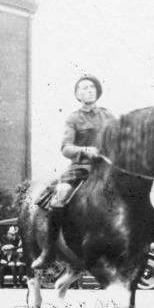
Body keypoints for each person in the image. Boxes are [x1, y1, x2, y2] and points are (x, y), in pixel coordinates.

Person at [31, 75, 116, 269]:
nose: (89, 90)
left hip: (106, 168)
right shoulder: (73, 118)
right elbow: (65, 148)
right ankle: (49, 251)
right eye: (84, 88)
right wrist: (85, 150)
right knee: (61, 194)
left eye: (92, 87)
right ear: (77, 94)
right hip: (80, 168)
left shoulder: (108, 116)